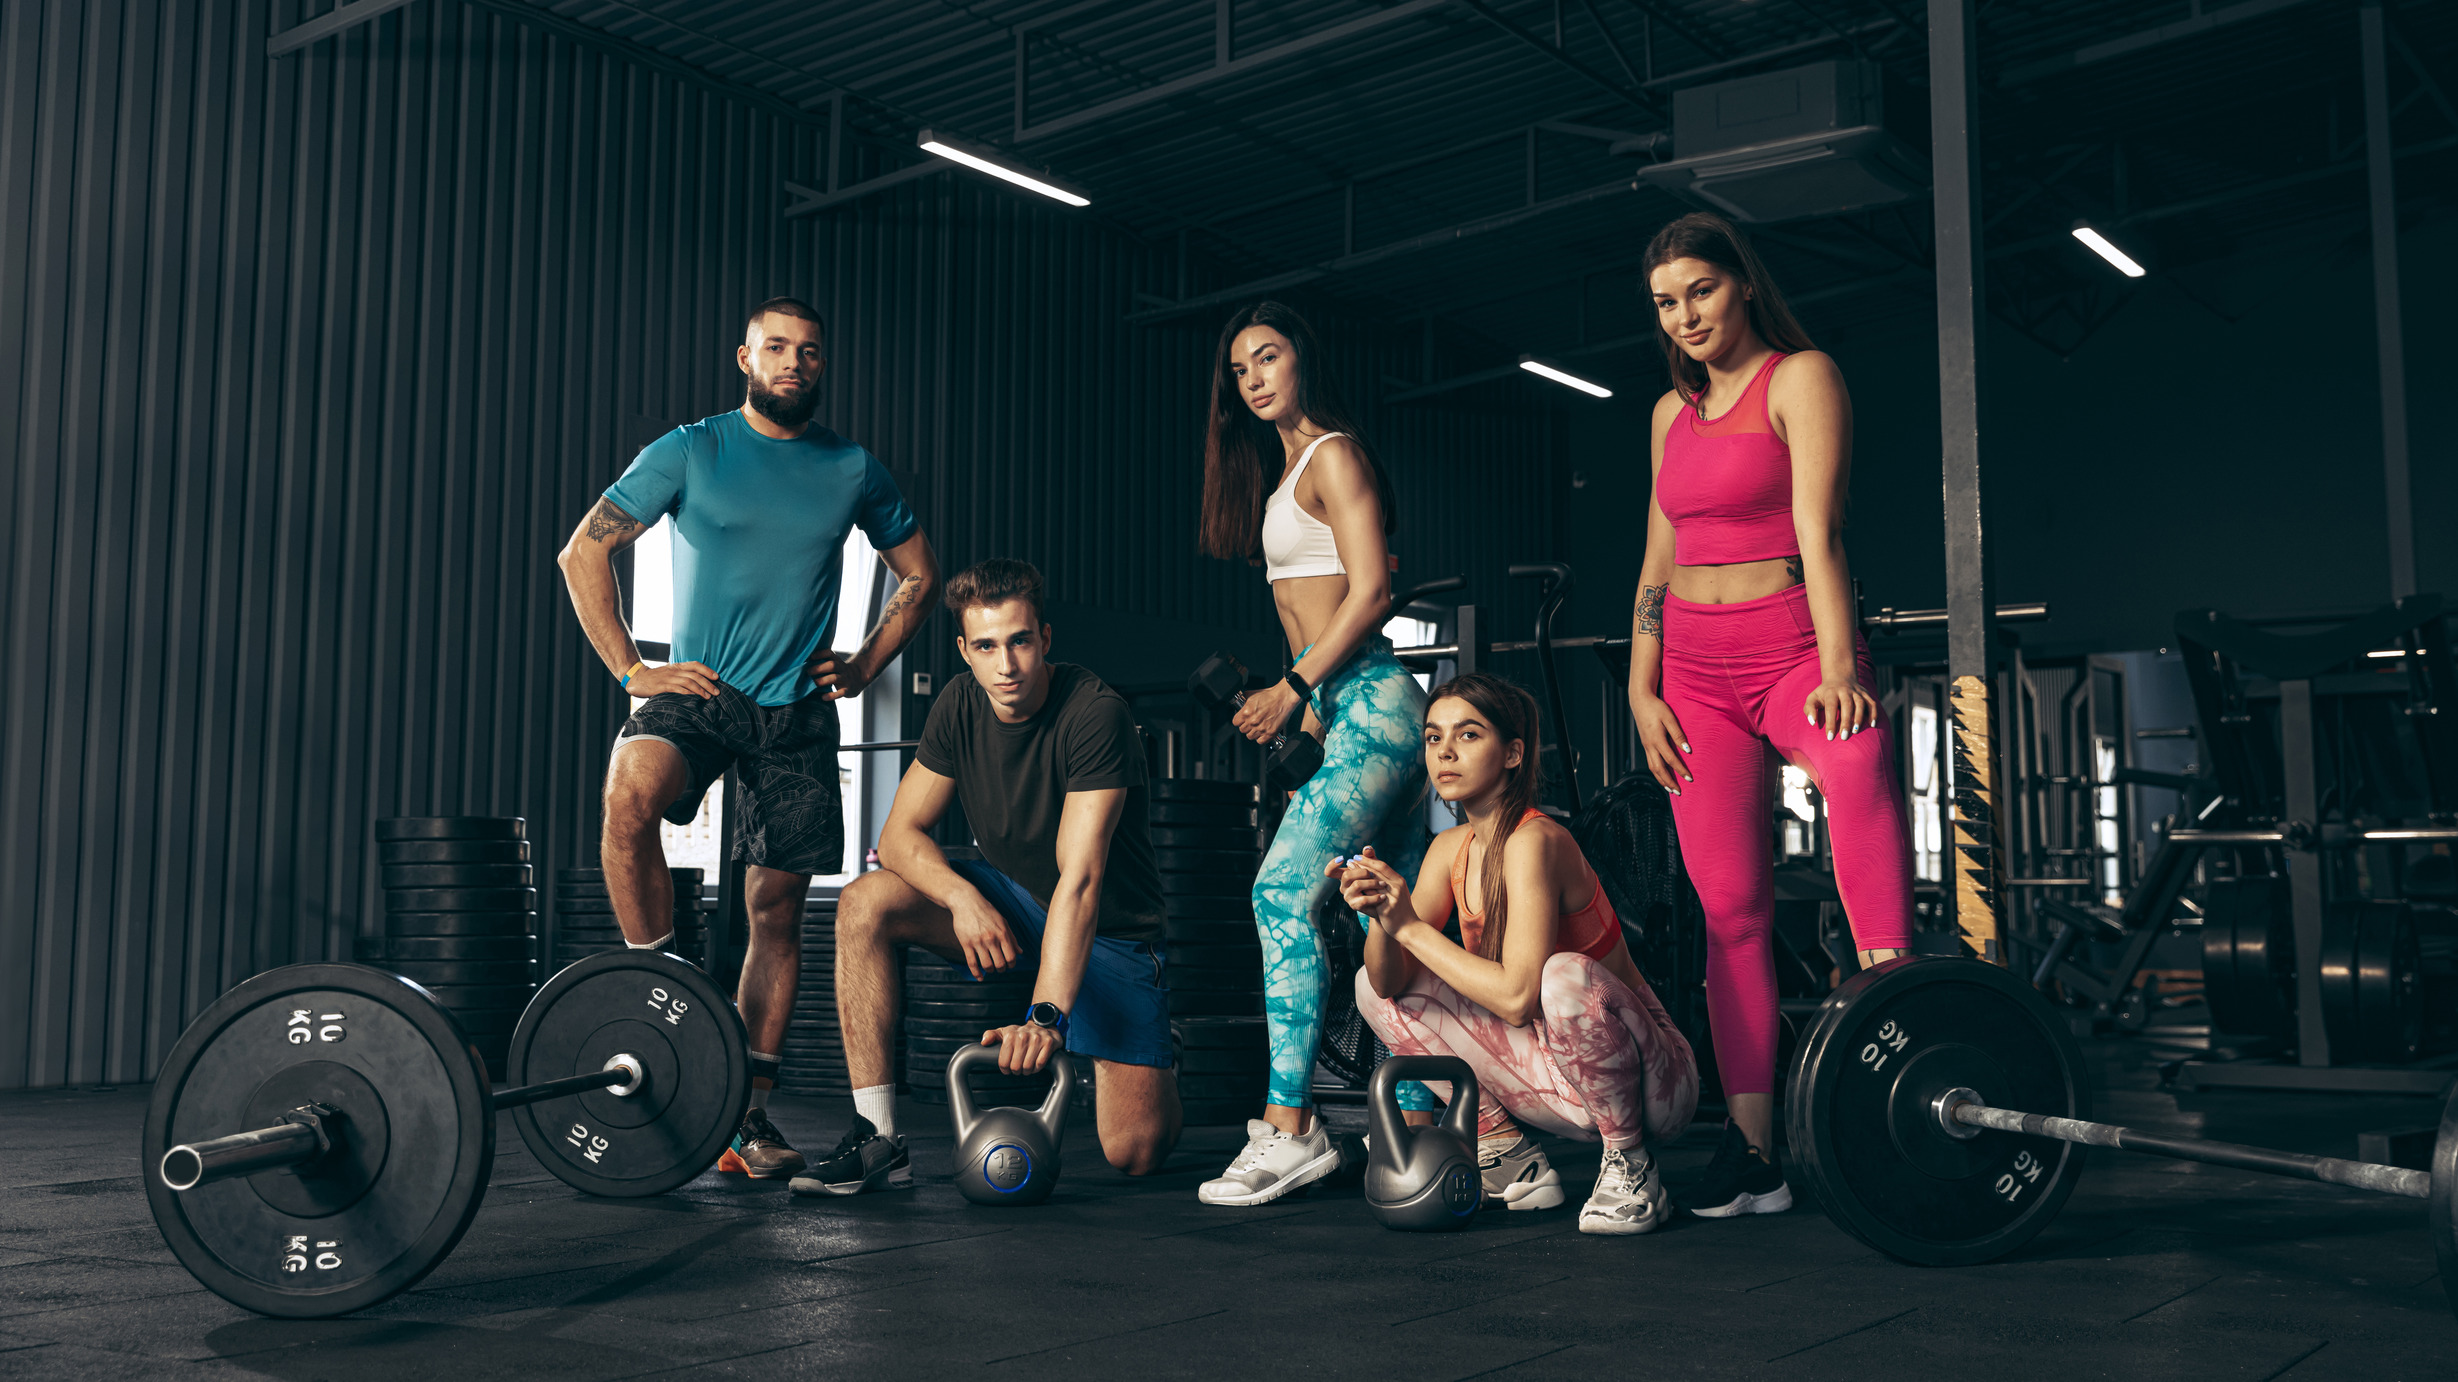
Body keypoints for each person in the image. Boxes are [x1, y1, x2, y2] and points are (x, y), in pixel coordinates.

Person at [557, 295, 940, 1180]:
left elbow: (919, 576)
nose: (794, 363)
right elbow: (585, 550)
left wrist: (870, 661)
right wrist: (631, 671)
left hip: (797, 712)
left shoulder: (852, 468)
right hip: (701, 690)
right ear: (745, 357)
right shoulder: (692, 448)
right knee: (627, 798)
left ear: (822, 364)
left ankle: (749, 1121)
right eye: (778, 348)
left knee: (776, 915)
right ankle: (664, 987)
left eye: (810, 351)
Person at [1622, 213, 1915, 1219]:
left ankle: (1899, 1061)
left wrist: (1842, 665)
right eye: (1666, 301)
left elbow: (1818, 528)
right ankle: (1753, 1154)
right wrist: (1639, 682)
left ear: (1740, 284)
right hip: (1694, 674)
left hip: (1791, 645)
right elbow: (1656, 563)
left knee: (1859, 766)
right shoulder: (1671, 413)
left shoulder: (1800, 376)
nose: (1686, 314)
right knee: (1731, 911)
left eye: (1700, 289)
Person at [799, 558, 1180, 1193]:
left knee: (1135, 1153)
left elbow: (1079, 880)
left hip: (1109, 933)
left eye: (1020, 641)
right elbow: (897, 838)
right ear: (964, 651)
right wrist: (962, 898)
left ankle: (1161, 1053)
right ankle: (879, 1137)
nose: (1006, 666)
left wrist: (1047, 1016)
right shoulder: (959, 705)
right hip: (1013, 905)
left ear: (1045, 639)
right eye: (986, 646)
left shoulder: (1095, 715)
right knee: (865, 901)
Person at [1192, 301, 1435, 1207]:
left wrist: (1295, 691)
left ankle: (1290, 1127)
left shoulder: (1331, 453)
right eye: (1240, 368)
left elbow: (1374, 591)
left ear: (1304, 361)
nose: (1254, 378)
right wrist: (1305, 716)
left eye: (1269, 357)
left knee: (1278, 894)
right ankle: (1450, 1126)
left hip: (1373, 703)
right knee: (1392, 926)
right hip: (1348, 716)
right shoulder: (1284, 471)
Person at [1336, 674, 1699, 1234]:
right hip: (1552, 1074)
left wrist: (1409, 926)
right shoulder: (1448, 848)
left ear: (1512, 753)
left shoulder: (1537, 840)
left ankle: (1630, 1162)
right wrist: (1385, 916)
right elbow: (1388, 987)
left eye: (1468, 734)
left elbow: (1515, 997)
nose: (1446, 752)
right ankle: (1505, 1152)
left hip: (1655, 1086)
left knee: (1562, 977)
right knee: (1368, 982)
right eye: (1433, 738)